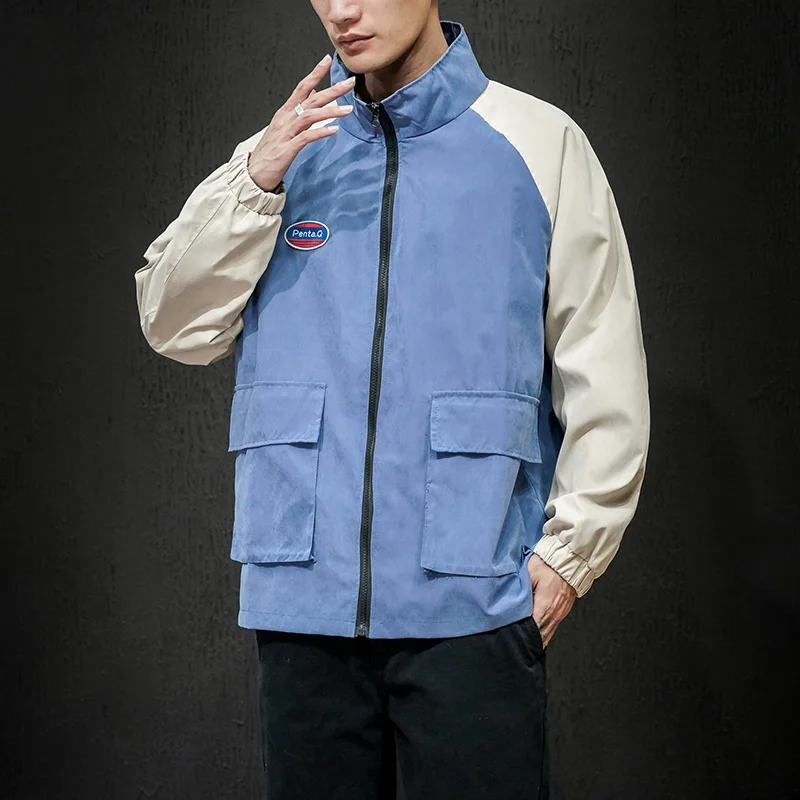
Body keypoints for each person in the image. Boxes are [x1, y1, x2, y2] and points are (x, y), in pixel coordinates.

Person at [134, 1, 650, 797]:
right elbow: (174, 324)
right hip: (304, 604)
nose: (343, 10)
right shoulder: (283, 154)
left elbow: (603, 362)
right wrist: (257, 179)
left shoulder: (539, 144)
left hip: (474, 599)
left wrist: (569, 556)